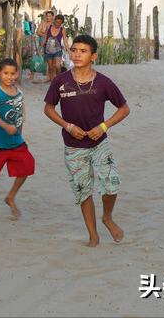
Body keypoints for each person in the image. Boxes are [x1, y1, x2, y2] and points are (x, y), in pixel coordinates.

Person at [43, 34, 130, 247]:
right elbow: (48, 108)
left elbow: (124, 109)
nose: (77, 54)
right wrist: (67, 126)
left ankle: (107, 217)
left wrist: (103, 127)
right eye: (74, 50)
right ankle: (93, 235)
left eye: (83, 51)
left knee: (111, 185)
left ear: (94, 56)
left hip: (100, 144)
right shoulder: (60, 81)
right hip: (73, 147)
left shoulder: (103, 82)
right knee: (84, 191)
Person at [0, 58, 35, 218]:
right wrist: (6, 127)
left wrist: (19, 133)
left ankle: (11, 196)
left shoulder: (19, 93)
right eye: (6, 73)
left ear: (17, 74)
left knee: (28, 164)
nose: (9, 77)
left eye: (13, 73)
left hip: (15, 141)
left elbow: (20, 116)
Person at [42, 14, 66, 81]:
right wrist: (39, 48)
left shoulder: (62, 30)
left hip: (58, 50)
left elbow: (65, 41)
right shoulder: (49, 28)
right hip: (48, 50)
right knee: (50, 68)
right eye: (56, 22)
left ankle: (59, 80)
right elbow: (44, 39)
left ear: (61, 23)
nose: (57, 24)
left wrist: (69, 51)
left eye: (59, 23)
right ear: (54, 21)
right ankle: (53, 83)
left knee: (58, 66)